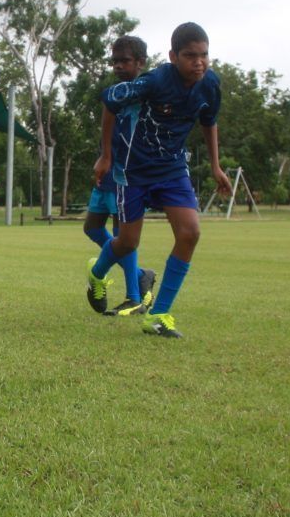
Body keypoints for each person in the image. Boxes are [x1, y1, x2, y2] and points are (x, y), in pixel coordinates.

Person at [86, 22, 230, 339]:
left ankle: (159, 314)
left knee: (190, 233)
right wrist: (106, 156)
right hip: (133, 172)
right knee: (128, 242)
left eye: (204, 55)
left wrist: (216, 166)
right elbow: (110, 101)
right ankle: (97, 274)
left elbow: (209, 121)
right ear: (173, 56)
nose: (199, 62)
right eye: (190, 55)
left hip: (172, 170)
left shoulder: (210, 84)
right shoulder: (154, 81)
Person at [84, 34, 155, 316]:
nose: (118, 66)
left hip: (128, 173)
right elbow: (108, 124)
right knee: (92, 227)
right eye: (114, 61)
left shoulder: (148, 93)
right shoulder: (115, 93)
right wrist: (104, 156)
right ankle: (140, 274)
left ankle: (134, 296)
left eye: (124, 61)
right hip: (109, 169)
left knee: (122, 234)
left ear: (141, 62)